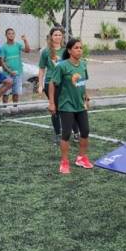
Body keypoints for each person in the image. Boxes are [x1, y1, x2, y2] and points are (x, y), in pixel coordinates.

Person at [48, 38, 92, 174]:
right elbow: (52, 83)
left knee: (85, 131)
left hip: (80, 104)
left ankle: (81, 158)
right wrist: (51, 103)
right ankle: (64, 161)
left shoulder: (83, 64)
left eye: (81, 47)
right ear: (69, 50)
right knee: (66, 133)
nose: (79, 50)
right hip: (66, 105)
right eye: (76, 48)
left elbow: (82, 82)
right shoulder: (62, 66)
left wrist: (85, 96)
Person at [38, 26, 67, 142]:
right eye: (55, 35)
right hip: (50, 83)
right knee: (54, 108)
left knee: (65, 107)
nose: (58, 37)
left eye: (60, 35)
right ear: (51, 36)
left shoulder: (66, 51)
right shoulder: (46, 51)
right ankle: (57, 133)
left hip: (64, 83)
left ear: (62, 36)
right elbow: (41, 69)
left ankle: (72, 131)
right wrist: (40, 85)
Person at [0, 28, 31, 106]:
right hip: (7, 74)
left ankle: (15, 109)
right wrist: (10, 71)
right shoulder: (3, 47)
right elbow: (2, 62)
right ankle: (5, 109)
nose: (11, 35)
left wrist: (25, 40)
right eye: (9, 33)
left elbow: (27, 50)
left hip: (18, 73)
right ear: (6, 35)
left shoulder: (18, 45)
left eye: (13, 33)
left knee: (16, 93)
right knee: (6, 93)